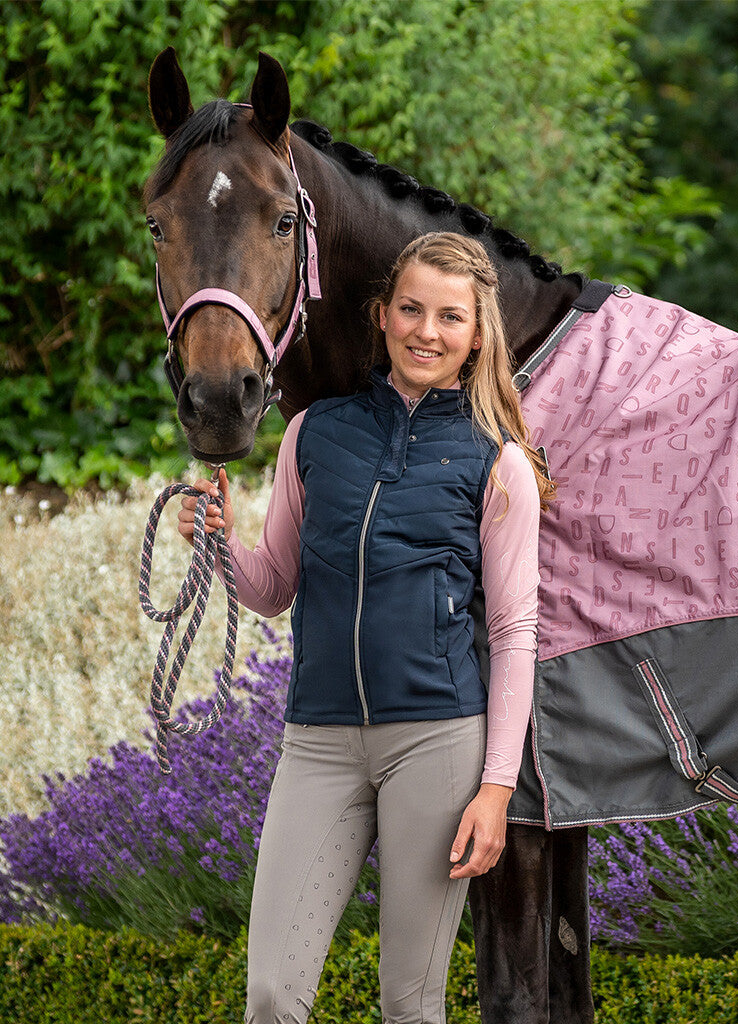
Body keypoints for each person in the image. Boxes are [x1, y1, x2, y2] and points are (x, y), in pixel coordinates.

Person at [177, 232, 553, 1024]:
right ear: (382, 315)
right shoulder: (313, 434)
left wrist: (496, 788)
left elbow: (515, 632)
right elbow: (273, 588)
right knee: (272, 994)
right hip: (317, 741)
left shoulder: (499, 463)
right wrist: (219, 542)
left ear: (476, 334)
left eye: (450, 317)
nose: (427, 332)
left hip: (437, 743)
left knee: (409, 1005)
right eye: (411, 309)